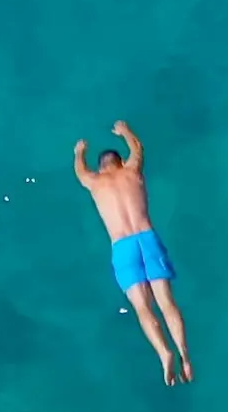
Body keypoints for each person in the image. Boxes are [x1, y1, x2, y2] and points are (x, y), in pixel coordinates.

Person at [73, 121, 192, 386]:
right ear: (119, 161)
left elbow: (80, 172)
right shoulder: (132, 171)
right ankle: (185, 355)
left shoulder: (95, 182)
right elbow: (137, 148)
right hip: (146, 237)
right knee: (167, 302)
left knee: (142, 307)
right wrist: (125, 131)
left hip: (122, 246)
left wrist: (79, 152)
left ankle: (164, 353)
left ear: (101, 166)